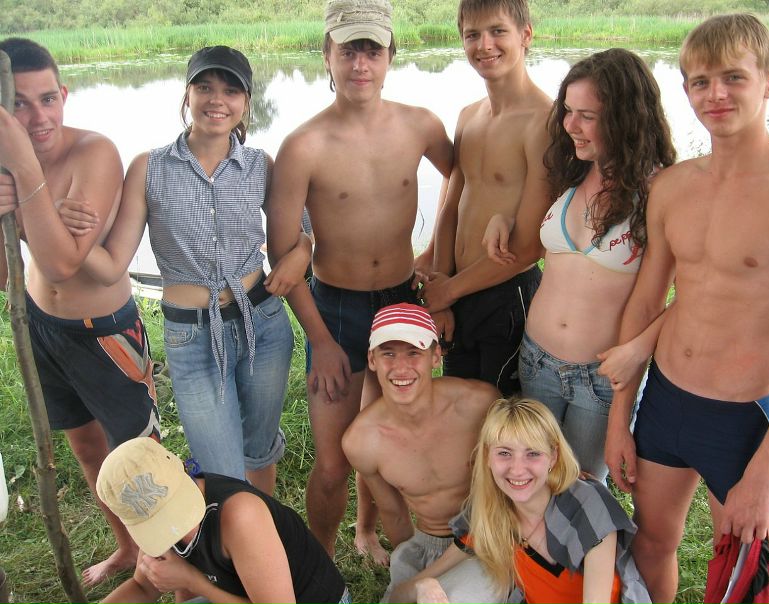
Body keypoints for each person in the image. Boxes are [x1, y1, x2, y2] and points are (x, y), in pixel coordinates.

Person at [604, 14, 769, 603]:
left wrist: (765, 474)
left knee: (739, 570)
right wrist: (620, 417)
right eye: (700, 81)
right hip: (665, 399)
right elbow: (647, 301)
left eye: (733, 77)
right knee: (650, 544)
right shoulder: (671, 186)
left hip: (743, 419)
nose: (715, 94)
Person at [58, 46, 311, 495]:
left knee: (259, 450)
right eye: (205, 87)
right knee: (222, 472)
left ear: (246, 101)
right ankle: (231, 531)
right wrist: (54, 224)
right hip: (192, 337)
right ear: (187, 94)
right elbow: (113, 264)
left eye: (231, 91)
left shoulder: (261, 165)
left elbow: (302, 230)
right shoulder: (149, 167)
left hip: (263, 323)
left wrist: (301, 253)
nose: (217, 100)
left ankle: (266, 528)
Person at [267, 0, 453, 562]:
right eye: (349, 50)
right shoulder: (303, 145)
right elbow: (282, 256)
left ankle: (367, 532)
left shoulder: (422, 125)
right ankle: (320, 567)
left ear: (391, 55)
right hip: (338, 308)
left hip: (401, 299)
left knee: (387, 431)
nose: (360, 64)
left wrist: (437, 254)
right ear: (327, 54)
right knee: (332, 462)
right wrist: (321, 340)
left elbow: (466, 182)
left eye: (372, 50)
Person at [0, 37, 160, 586]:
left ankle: (167, 561)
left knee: (138, 456)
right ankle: (127, 548)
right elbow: (5, 276)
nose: (39, 116)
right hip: (43, 328)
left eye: (48, 99)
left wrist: (26, 174)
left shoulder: (95, 153)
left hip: (104, 333)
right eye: (19, 104)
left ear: (64, 94)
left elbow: (64, 263)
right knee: (88, 449)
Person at [483, 48, 676, 479]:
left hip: (602, 376)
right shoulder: (570, 168)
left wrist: (638, 350)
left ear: (626, 118)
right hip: (536, 360)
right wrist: (505, 220)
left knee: (583, 491)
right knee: (530, 483)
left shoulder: (661, 191)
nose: (571, 125)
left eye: (586, 116)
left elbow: (697, 293)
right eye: (568, 111)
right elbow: (543, 233)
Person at [388, 398, 650, 604]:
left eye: (532, 453)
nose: (517, 469)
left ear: (553, 456)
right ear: (487, 457)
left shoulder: (587, 506)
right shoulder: (492, 511)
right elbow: (400, 594)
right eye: (504, 453)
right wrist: (423, 586)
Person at [417, 0, 552, 396]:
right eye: (472, 35)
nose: (484, 45)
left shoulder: (544, 121)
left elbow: (529, 246)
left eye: (497, 31)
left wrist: (449, 290)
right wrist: (441, 290)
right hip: (457, 290)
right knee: (457, 406)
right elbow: (450, 208)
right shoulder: (467, 116)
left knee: (499, 415)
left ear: (526, 35)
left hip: (506, 295)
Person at [341, 303, 500, 602]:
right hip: (426, 542)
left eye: (414, 352)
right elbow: (393, 513)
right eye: (388, 354)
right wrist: (413, 563)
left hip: (487, 533)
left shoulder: (479, 404)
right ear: (372, 359)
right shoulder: (361, 441)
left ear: (436, 356)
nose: (401, 368)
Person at [97, 437, 349, 604]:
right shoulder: (152, 519)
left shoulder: (241, 516)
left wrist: (192, 581)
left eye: (175, 508)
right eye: (157, 523)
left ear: (183, 468)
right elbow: (142, 588)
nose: (174, 529)